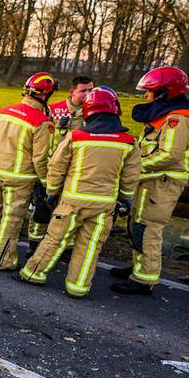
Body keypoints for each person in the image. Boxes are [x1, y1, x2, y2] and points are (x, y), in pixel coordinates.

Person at [16, 87, 141, 298]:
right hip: (104, 206)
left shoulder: (77, 136)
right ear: (115, 110)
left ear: (88, 111)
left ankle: (32, 274)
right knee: (90, 247)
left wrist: (52, 192)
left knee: (55, 239)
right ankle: (78, 288)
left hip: (72, 201)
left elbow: (56, 167)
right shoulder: (128, 142)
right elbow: (131, 176)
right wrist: (125, 199)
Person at [109, 67, 189, 295]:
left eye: (149, 92)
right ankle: (140, 266)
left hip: (162, 184)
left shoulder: (178, 118)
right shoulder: (165, 114)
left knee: (148, 229)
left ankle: (143, 280)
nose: (145, 96)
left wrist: (132, 166)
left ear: (163, 92)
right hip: (151, 182)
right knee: (138, 225)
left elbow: (169, 155)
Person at [0, 72, 57, 270]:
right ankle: (2, 259)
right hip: (20, 180)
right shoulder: (41, 122)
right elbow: (40, 158)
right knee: (11, 219)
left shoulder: (4, 111)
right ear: (45, 95)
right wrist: (46, 182)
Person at [28, 76, 94, 243]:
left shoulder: (95, 112)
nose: (88, 94)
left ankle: (64, 246)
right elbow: (43, 138)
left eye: (91, 90)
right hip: (52, 168)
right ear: (72, 92)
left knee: (69, 213)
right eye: (83, 90)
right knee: (42, 208)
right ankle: (34, 242)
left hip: (79, 171)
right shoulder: (53, 109)